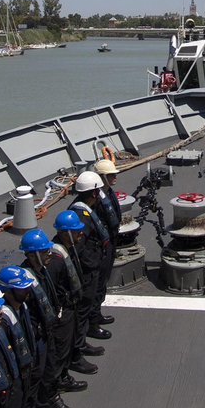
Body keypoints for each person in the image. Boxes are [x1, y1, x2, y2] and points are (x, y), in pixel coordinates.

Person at [0, 265, 62, 408]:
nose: (27, 291)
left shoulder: (22, 307)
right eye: (22, 288)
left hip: (29, 370)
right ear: (8, 291)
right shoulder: (4, 320)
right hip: (17, 377)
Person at [20, 228, 84, 408]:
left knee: (51, 366)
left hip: (50, 330)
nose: (50, 254)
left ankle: (50, 396)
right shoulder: (25, 283)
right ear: (32, 255)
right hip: (39, 336)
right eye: (45, 251)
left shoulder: (44, 271)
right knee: (43, 373)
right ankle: (44, 406)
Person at [51, 210, 105, 374]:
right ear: (66, 233)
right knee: (63, 344)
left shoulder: (69, 248)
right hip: (65, 308)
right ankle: (69, 366)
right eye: (76, 230)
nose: (81, 233)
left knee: (76, 330)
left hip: (74, 303)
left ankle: (77, 352)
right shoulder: (55, 259)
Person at [69, 170, 113, 343]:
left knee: (97, 293)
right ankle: (87, 332)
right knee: (86, 301)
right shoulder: (80, 215)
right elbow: (80, 247)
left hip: (96, 259)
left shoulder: (86, 208)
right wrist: (93, 264)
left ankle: (95, 318)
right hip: (90, 266)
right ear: (94, 192)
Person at [91, 159, 123, 330]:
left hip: (110, 244)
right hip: (101, 247)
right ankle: (93, 321)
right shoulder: (96, 200)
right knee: (96, 285)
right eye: (111, 174)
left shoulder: (109, 193)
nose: (115, 176)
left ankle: (97, 314)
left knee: (103, 282)